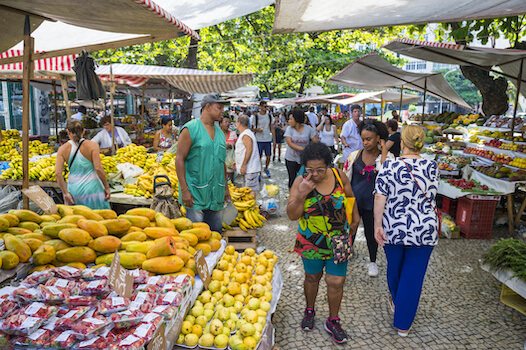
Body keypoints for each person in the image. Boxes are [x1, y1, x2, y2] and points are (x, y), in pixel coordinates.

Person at [288, 142, 359, 344]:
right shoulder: (301, 181)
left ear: (328, 165)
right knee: (312, 278)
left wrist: (355, 219)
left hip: (339, 240)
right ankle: (309, 310)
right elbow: (292, 215)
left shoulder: (338, 176)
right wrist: (302, 193)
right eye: (311, 169)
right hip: (311, 241)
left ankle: (333, 320)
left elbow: (350, 196)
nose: (316, 174)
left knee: (336, 281)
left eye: (320, 169)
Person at [373, 125, 439, 337]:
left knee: (395, 268)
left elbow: (379, 197)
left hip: (395, 227)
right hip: (425, 228)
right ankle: (403, 324)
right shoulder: (433, 166)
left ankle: (396, 302)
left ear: (402, 143)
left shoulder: (389, 165)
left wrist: (377, 224)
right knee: (413, 275)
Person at [176, 93, 230, 233]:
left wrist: (225, 188)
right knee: (196, 237)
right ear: (207, 107)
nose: (222, 111)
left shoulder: (219, 133)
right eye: (219, 107)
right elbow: (179, 159)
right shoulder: (190, 129)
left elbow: (221, 162)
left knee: (216, 235)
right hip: (195, 194)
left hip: (216, 193)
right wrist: (184, 190)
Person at [344, 119, 391, 277]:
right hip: (354, 202)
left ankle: (372, 261)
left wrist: (384, 149)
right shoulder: (354, 156)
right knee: (350, 231)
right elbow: (346, 178)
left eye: (369, 139)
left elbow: (387, 173)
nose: (365, 142)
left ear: (378, 138)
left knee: (372, 234)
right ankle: (346, 254)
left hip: (373, 205)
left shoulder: (387, 158)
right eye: (363, 139)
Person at [55, 120, 111, 209]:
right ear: (84, 131)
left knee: (79, 220)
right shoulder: (93, 145)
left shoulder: (62, 149)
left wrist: (65, 193)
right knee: (99, 219)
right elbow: (98, 168)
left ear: (68, 132)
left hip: (74, 190)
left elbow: (58, 174)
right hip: (93, 189)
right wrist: (107, 187)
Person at [284, 109, 319, 188]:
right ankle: (292, 197)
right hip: (290, 158)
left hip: (304, 159)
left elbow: (316, 142)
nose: (289, 121)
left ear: (296, 119)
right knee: (292, 179)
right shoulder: (289, 129)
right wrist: (304, 149)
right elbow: (290, 143)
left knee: (304, 179)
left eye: (291, 119)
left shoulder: (308, 129)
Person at [235, 115, 261, 193]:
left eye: (236, 122)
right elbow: (243, 150)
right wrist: (237, 162)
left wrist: (244, 164)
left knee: (250, 192)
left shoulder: (246, 134)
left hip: (250, 169)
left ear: (239, 123)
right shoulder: (245, 133)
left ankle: (252, 205)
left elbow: (249, 149)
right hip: (248, 169)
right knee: (246, 191)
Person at [251, 101, 275, 178]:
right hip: (258, 140)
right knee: (259, 157)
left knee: (268, 156)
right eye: (264, 106)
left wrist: (274, 140)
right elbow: (252, 129)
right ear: (260, 107)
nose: (266, 108)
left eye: (267, 106)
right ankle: (259, 172)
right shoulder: (256, 116)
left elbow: (272, 128)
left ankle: (266, 168)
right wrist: (257, 130)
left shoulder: (269, 116)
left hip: (267, 139)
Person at [221, 115, 238, 182]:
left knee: (230, 181)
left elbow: (237, 146)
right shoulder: (217, 134)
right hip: (220, 161)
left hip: (230, 161)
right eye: (225, 122)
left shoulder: (233, 134)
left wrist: (231, 146)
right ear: (221, 124)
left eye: (229, 122)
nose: (227, 124)